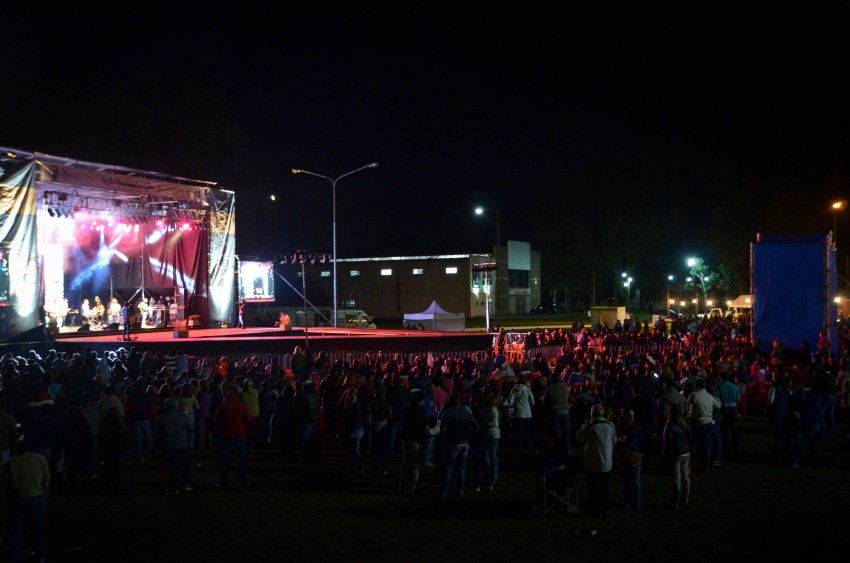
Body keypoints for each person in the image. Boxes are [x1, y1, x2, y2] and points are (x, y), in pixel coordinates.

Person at [3, 439, 50, 563]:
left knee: (15, 530)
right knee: (38, 528)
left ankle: (14, 557)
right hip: (36, 496)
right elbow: (46, 478)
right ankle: (41, 555)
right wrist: (43, 492)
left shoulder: (11, 463)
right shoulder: (40, 459)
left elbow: (6, 484)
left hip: (18, 499)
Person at [576, 403, 617, 518]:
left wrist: (585, 424)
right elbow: (614, 441)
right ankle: (604, 509)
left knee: (593, 487)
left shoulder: (591, 426)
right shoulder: (610, 425)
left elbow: (579, 437)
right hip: (607, 462)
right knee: (605, 487)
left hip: (592, 462)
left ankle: (594, 509)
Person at [439, 391, 478, 498]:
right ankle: (460, 490)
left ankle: (444, 491)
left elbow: (443, 429)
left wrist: (445, 439)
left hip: (453, 442)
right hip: (464, 443)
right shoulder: (466, 412)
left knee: (448, 467)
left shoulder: (448, 412)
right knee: (461, 468)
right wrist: (469, 436)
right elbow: (476, 426)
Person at [214, 384, 252, 489]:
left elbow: (216, 420)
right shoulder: (242, 405)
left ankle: (224, 481)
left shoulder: (223, 406)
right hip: (240, 435)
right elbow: (248, 419)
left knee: (225, 460)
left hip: (227, 435)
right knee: (242, 460)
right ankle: (244, 480)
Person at [154, 397, 193, 493]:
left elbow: (156, 432)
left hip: (169, 445)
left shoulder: (162, 418)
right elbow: (191, 427)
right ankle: (187, 484)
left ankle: (174, 487)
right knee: (185, 466)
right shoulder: (183, 416)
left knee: (172, 467)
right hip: (182, 444)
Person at [398, 389, 430, 496]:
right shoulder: (421, 411)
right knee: (415, 465)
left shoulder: (406, 409)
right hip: (416, 439)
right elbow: (428, 422)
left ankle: (402, 487)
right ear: (420, 401)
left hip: (405, 438)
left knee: (405, 463)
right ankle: (411, 488)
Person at [661, 403, 692, 509]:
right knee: (685, 476)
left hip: (675, 454)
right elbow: (690, 438)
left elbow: (667, 442)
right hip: (686, 452)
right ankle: (685, 499)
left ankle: (675, 501)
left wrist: (664, 455)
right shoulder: (685, 424)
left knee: (676, 478)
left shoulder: (670, 426)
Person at [508, 373, 536, 456]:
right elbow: (532, 401)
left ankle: (520, 450)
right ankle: (530, 449)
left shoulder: (514, 389)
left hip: (518, 413)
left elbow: (510, 401)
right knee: (527, 432)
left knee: (520, 433)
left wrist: (515, 405)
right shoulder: (527, 389)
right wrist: (528, 406)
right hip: (527, 413)